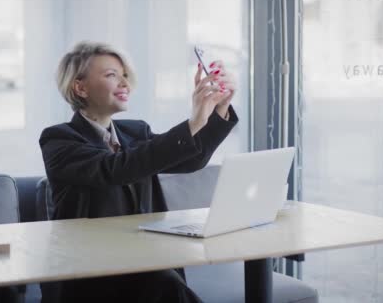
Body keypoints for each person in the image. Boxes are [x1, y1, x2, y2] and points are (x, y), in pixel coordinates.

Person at [39, 41, 238, 302]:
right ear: (80, 87)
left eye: (125, 75)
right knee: (168, 286)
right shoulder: (58, 140)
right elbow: (116, 169)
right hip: (91, 272)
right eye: (112, 75)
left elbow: (192, 158)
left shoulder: (136, 131)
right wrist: (194, 121)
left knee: (165, 282)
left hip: (144, 263)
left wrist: (218, 108)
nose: (125, 83)